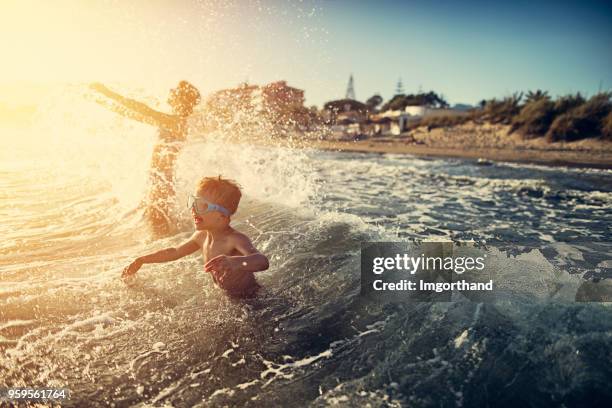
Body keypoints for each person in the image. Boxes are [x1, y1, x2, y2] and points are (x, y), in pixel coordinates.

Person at [121, 176, 269, 297]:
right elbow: (175, 252)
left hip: (250, 297)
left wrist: (236, 262)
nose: (193, 209)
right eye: (193, 203)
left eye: (201, 205)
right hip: (228, 296)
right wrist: (142, 260)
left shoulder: (234, 239)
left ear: (222, 216)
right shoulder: (201, 236)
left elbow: (262, 261)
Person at [90, 81, 201, 236]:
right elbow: (135, 114)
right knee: (159, 228)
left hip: (161, 184)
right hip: (158, 181)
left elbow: (143, 110)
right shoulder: (172, 121)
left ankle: (171, 252)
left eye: (175, 89)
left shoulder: (176, 122)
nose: (170, 89)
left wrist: (107, 93)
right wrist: (102, 102)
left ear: (181, 98)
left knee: (160, 230)